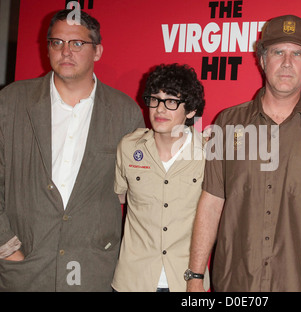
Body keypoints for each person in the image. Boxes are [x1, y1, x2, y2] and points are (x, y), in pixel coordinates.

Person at [187, 15, 301, 292]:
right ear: (262, 59)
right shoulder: (227, 123)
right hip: (235, 282)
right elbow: (211, 204)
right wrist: (195, 278)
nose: (287, 63)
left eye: (297, 53)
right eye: (278, 52)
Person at [0, 9, 144, 291]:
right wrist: (7, 247)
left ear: (98, 51)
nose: (65, 51)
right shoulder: (11, 102)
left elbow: (135, 193)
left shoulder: (124, 112)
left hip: (91, 270)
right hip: (24, 268)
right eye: (57, 42)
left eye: (77, 43)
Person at [112, 63, 210, 292]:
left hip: (185, 281)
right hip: (132, 281)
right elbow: (117, 198)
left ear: (191, 111)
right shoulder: (128, 147)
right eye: (155, 99)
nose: (160, 109)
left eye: (172, 102)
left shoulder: (207, 153)